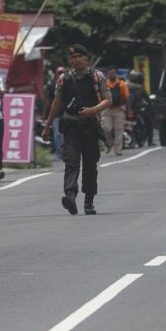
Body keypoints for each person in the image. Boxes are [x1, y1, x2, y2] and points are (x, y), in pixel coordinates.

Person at [41, 44, 111, 215]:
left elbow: (108, 100)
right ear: (70, 60)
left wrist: (92, 111)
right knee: (71, 162)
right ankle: (70, 196)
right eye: (73, 57)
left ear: (86, 58)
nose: (76, 60)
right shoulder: (63, 79)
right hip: (71, 126)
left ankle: (89, 201)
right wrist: (47, 125)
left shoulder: (97, 76)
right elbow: (57, 103)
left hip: (90, 127)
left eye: (80, 56)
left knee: (90, 164)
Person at [45, 66, 66, 160]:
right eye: (59, 73)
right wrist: (45, 113)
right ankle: (60, 153)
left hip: (67, 113)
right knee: (57, 134)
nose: (61, 75)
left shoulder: (71, 84)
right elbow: (49, 100)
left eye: (62, 73)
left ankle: (67, 151)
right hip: (56, 114)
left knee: (66, 134)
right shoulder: (52, 85)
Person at [127, 70, 150, 147]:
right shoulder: (141, 89)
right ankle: (150, 141)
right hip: (136, 109)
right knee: (149, 122)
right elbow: (148, 100)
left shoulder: (125, 86)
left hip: (127, 110)